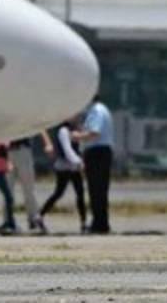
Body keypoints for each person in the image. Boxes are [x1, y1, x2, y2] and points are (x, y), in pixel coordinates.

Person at [74, 96, 115, 234]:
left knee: (96, 190)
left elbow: (95, 133)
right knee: (99, 190)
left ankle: (99, 224)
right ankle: (101, 222)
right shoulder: (99, 110)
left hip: (97, 152)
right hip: (100, 152)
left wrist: (78, 136)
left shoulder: (96, 111)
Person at [40, 117, 88, 233]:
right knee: (59, 193)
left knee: (80, 193)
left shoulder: (74, 130)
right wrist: (78, 161)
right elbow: (67, 150)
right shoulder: (63, 131)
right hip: (64, 167)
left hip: (73, 167)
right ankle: (39, 216)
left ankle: (83, 223)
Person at [9, 136, 45, 233]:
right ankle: (8, 220)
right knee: (7, 190)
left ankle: (34, 219)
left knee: (28, 189)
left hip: (22, 150)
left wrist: (47, 142)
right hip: (6, 151)